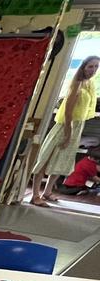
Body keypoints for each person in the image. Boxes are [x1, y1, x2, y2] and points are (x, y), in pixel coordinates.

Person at [31, 56, 99, 207]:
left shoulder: (89, 85)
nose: (93, 70)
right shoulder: (77, 84)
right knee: (46, 159)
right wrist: (68, 134)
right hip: (65, 126)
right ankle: (35, 195)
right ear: (83, 67)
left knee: (63, 161)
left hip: (76, 127)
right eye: (90, 67)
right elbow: (68, 113)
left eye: (96, 67)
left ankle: (47, 192)